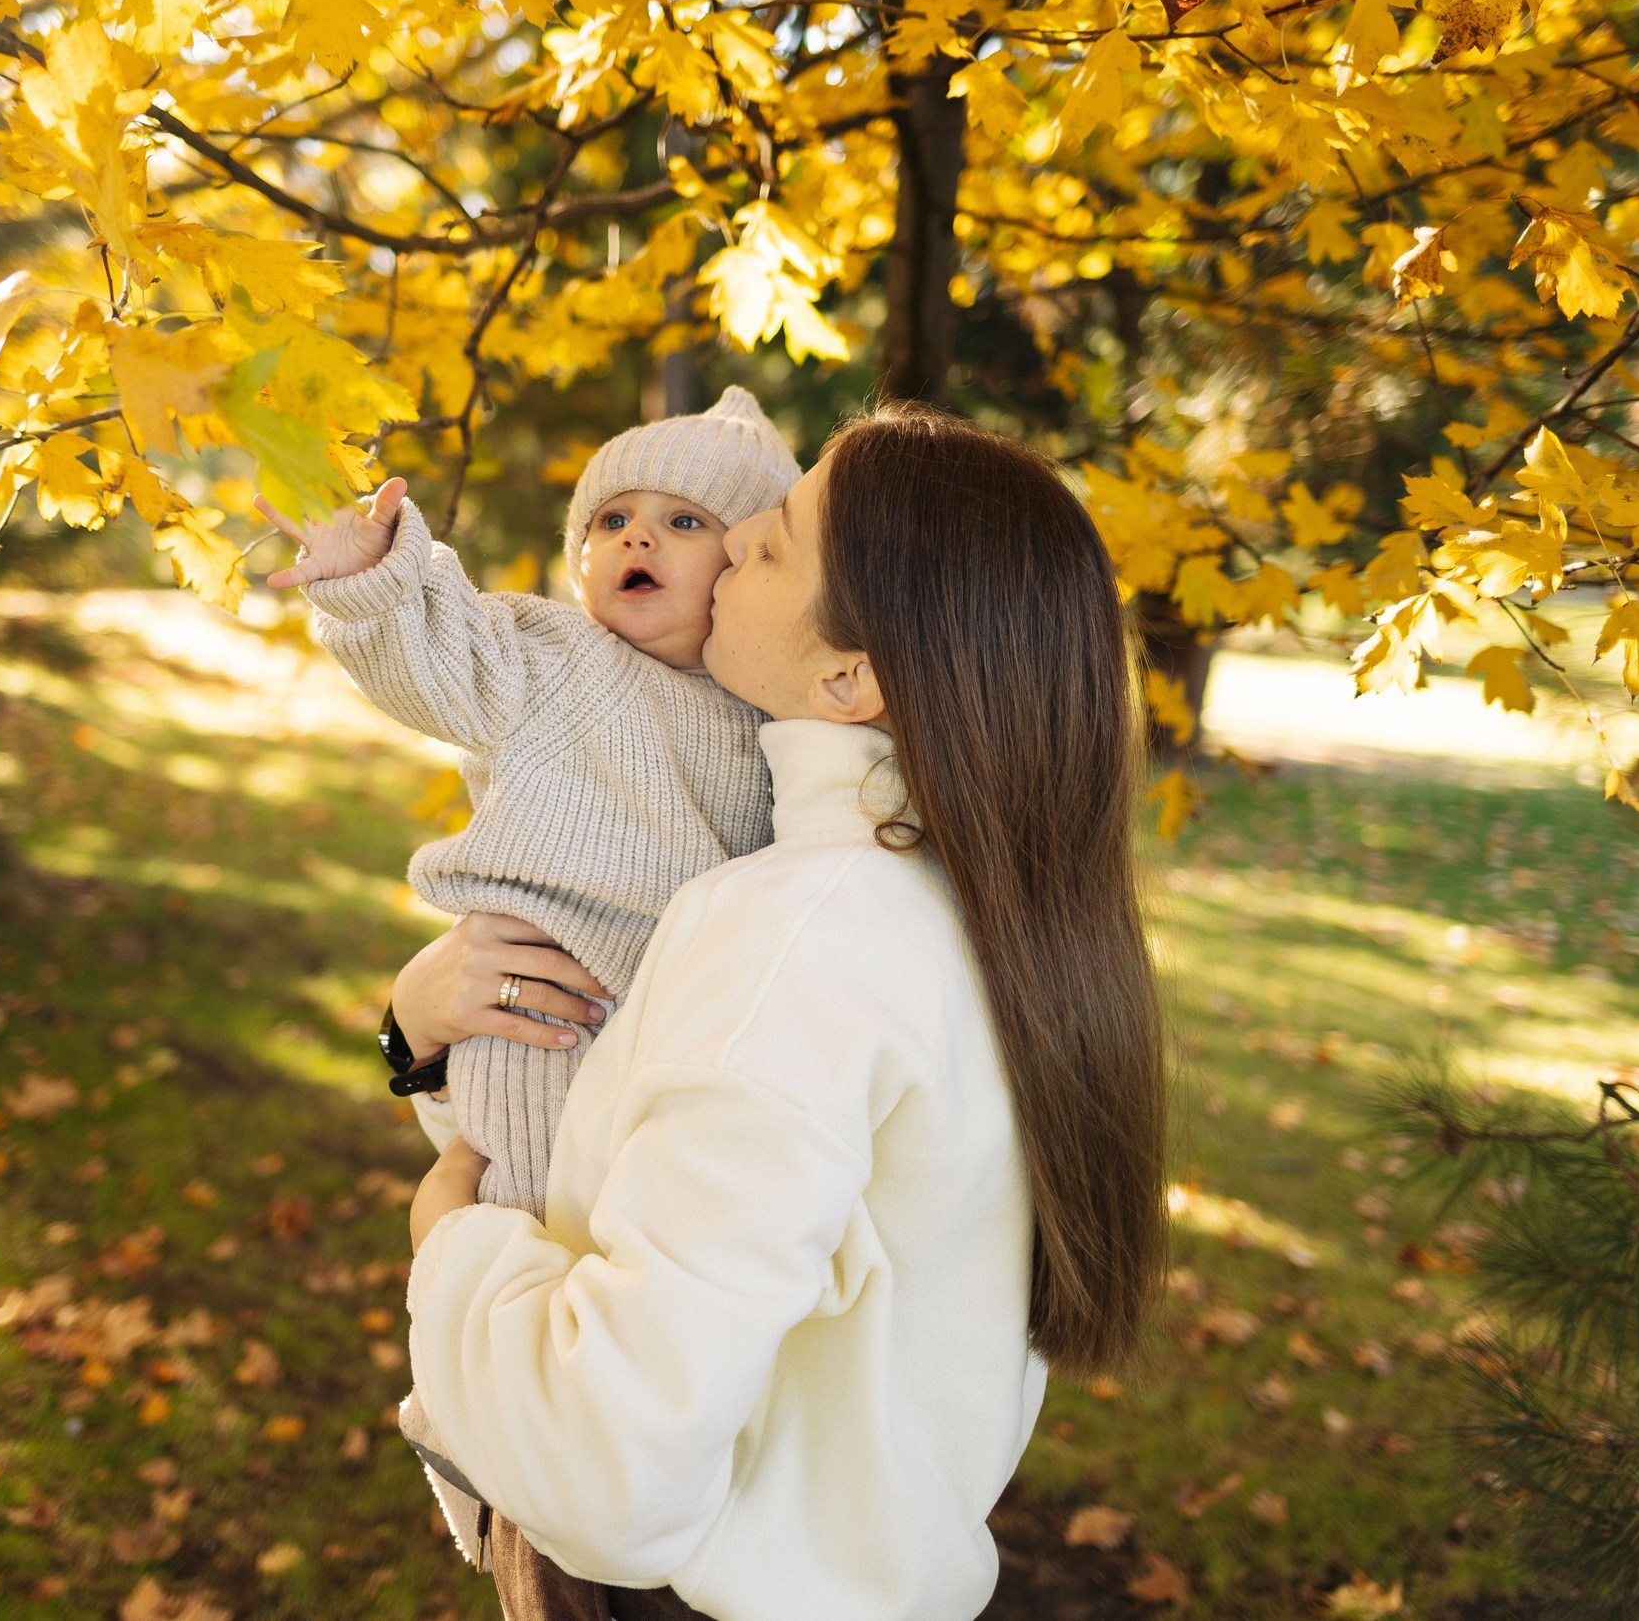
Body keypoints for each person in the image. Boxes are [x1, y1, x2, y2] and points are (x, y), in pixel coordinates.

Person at [393, 404, 1167, 1620]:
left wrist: (450, 1245)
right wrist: (415, 1031)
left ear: (848, 676)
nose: (738, 533)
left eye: (780, 534)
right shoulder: (978, 914)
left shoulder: (796, 934)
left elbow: (610, 1463)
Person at [256, 386, 802, 1557]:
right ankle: (489, 1448)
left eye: (684, 521)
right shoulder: (558, 660)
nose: (635, 538)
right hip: (541, 1010)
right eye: (610, 521)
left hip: (664, 1032)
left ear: (754, 562)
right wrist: (374, 576)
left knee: (632, 1273)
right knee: (526, 1222)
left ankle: (552, 1444)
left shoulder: (774, 716)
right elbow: (442, 656)